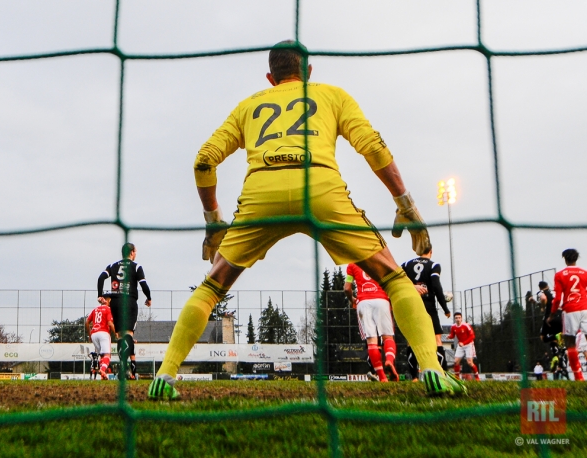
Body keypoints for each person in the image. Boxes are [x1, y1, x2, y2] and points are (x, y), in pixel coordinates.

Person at [147, 40, 465, 400]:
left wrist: (212, 221)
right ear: (309, 71)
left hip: (262, 192)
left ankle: (165, 376)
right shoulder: (332, 95)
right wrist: (406, 204)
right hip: (321, 189)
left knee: (212, 287)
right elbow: (374, 147)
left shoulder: (248, 106)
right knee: (393, 277)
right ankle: (431, 370)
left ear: (271, 77)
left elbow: (203, 161)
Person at [97, 243, 152, 380]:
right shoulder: (136, 266)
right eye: (136, 251)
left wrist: (100, 294)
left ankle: (122, 367)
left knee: (120, 336)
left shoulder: (112, 266)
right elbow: (143, 284)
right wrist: (148, 297)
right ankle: (130, 369)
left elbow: (101, 278)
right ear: (132, 252)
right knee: (129, 334)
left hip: (115, 303)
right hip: (129, 301)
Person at [344, 262, 398, 381]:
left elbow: (347, 288)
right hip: (381, 300)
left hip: (363, 302)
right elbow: (392, 281)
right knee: (388, 338)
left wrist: (352, 299)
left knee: (372, 343)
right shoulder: (378, 258)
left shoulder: (352, 264)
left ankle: (382, 377)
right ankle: (389, 361)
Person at [402, 247, 451, 370]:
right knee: (437, 339)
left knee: (411, 340)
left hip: (412, 303)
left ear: (418, 251)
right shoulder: (434, 265)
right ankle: (444, 373)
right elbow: (436, 285)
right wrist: (445, 308)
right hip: (428, 304)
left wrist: (412, 286)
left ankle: (414, 377)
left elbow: (397, 277)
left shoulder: (407, 264)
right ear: (431, 251)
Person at [550, 248, 587, 381]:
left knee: (570, 342)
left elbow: (558, 298)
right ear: (576, 259)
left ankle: (578, 377)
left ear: (565, 259)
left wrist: (552, 314)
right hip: (585, 308)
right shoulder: (585, 273)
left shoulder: (560, 275)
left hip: (570, 310)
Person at [85, 296, 116, 380]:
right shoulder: (108, 309)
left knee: (102, 356)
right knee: (107, 355)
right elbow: (110, 323)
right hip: (103, 333)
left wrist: (90, 334)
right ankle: (102, 370)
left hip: (94, 334)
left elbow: (87, 322)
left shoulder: (95, 310)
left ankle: (103, 375)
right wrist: (115, 333)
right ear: (108, 301)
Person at [447, 312, 479, 381]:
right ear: (454, 319)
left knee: (470, 362)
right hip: (460, 345)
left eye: (459, 318)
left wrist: (464, 343)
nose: (458, 319)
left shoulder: (466, 325)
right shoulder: (453, 327)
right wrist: (449, 337)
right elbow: (452, 335)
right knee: (456, 362)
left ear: (461, 318)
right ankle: (457, 379)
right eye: (456, 318)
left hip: (469, 345)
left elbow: (472, 336)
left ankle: (477, 378)